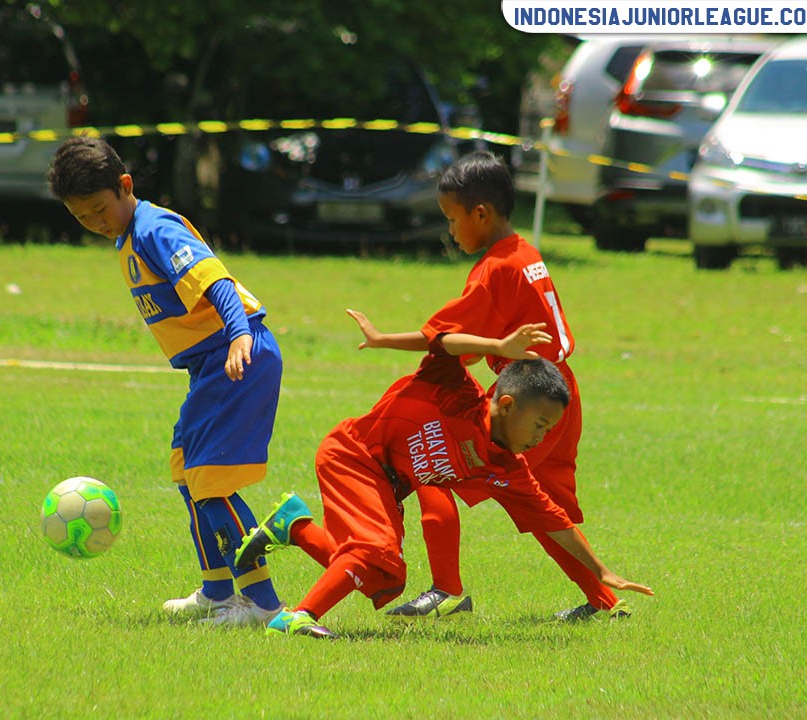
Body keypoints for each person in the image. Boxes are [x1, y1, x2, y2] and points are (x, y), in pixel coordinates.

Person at [232, 325, 653, 638]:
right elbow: (445, 343)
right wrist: (497, 348)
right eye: (540, 425)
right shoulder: (457, 392)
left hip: (387, 486)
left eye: (549, 430)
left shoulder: (506, 468)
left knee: (385, 580)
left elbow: (554, 520)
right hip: (353, 454)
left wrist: (601, 571)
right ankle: (296, 618)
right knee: (376, 552)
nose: (542, 437)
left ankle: (295, 525)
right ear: (506, 405)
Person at [347, 150, 624, 622]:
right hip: (558, 391)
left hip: (528, 399)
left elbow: (444, 340)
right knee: (546, 503)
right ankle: (604, 600)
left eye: (453, 219)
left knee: (434, 467)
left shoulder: (495, 268)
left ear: (481, 213)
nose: (451, 231)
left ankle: (445, 590)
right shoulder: (526, 252)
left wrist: (381, 339)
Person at [48, 136, 284, 626]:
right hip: (210, 366)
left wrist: (238, 334)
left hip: (237, 354)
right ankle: (217, 591)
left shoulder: (155, 228)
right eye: (82, 217)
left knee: (209, 483)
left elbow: (214, 280)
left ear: (125, 186)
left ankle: (262, 604)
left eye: (98, 209)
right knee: (186, 473)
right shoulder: (127, 237)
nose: (95, 222)